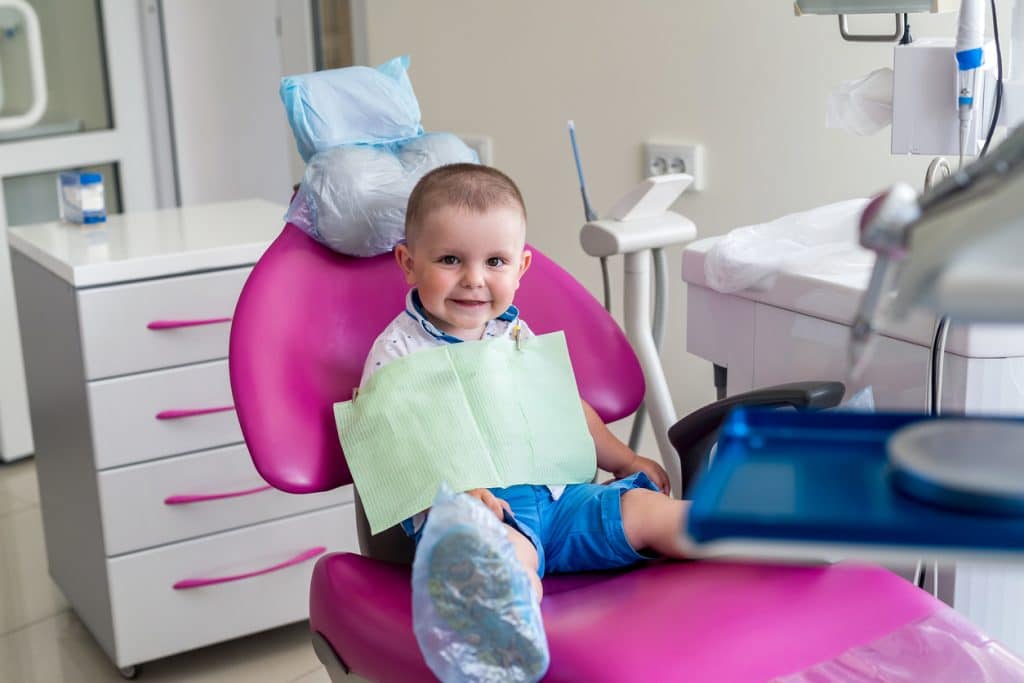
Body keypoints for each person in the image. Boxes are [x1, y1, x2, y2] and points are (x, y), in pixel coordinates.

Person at [359, 163, 691, 681]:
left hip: (560, 503)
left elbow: (563, 409)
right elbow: (395, 447)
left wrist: (624, 459)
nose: (474, 279)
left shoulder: (514, 335)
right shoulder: (398, 354)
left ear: (521, 267)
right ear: (408, 262)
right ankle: (502, 649)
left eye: (495, 261)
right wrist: (454, 497)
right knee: (505, 559)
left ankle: (751, 536)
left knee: (646, 508)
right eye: (450, 259)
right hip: (485, 514)